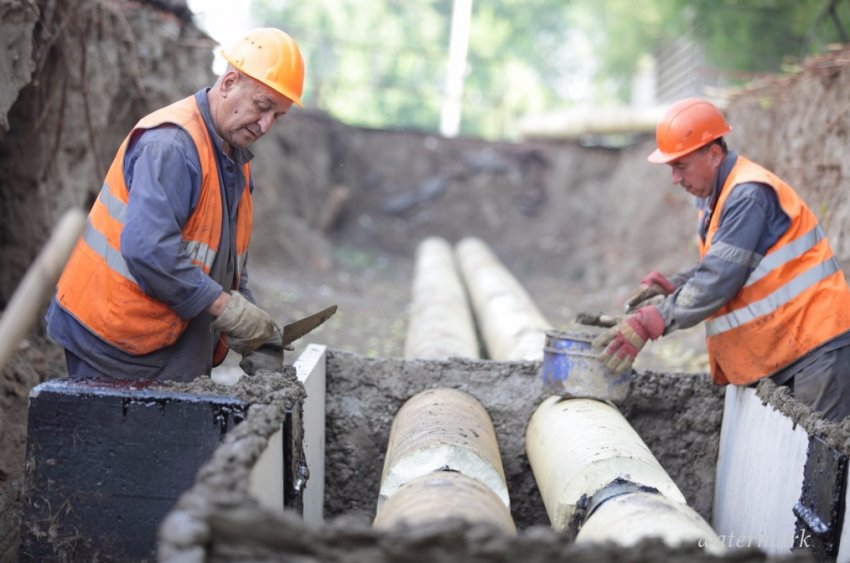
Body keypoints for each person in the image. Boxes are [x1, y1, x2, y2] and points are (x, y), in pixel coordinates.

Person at [45, 28, 305, 382]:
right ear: (229, 83)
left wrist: (251, 329)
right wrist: (227, 310)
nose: (265, 125)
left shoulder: (233, 159)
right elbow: (150, 252)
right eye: (263, 107)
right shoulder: (172, 147)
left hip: (161, 337)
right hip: (114, 340)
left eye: (278, 115)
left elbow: (224, 261)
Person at [594, 97, 850, 421]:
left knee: (819, 463)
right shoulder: (718, 195)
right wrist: (675, 285)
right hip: (795, 344)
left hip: (816, 344)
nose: (675, 178)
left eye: (680, 165)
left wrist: (652, 321)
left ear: (714, 154)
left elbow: (719, 280)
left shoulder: (747, 194)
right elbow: (729, 267)